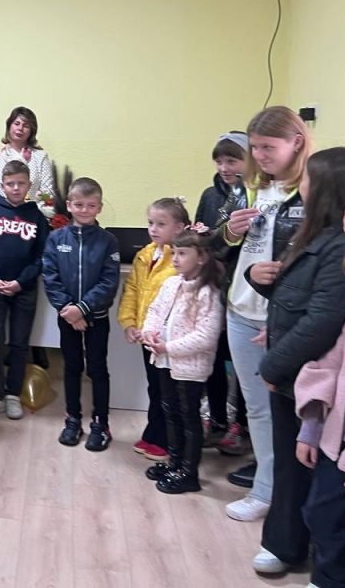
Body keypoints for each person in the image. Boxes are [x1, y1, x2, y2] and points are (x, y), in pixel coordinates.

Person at [246, 147, 345, 576]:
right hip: (293, 371)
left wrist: (271, 366)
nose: (301, 187)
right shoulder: (315, 234)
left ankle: (319, 561)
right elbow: (295, 295)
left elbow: (323, 321)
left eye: (308, 180)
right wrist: (256, 279)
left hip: (312, 377)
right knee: (293, 467)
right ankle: (287, 544)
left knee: (315, 474)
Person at [216, 105, 311, 523]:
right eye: (254, 148)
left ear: (297, 142)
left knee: (293, 415)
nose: (259, 156)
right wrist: (229, 231)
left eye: (268, 147)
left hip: (284, 320)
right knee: (256, 410)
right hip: (240, 311)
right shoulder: (250, 189)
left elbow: (318, 265)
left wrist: (278, 315)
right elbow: (220, 244)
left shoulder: (312, 193)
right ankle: (265, 492)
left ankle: (293, 506)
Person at [292, 247, 345, 587]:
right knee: (321, 515)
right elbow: (327, 369)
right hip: (336, 447)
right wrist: (311, 428)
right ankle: (330, 579)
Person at [140, 228, 224, 494]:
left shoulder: (208, 292)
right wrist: (149, 332)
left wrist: (169, 347)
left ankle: (189, 472)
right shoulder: (171, 283)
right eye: (174, 252)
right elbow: (155, 310)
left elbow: (206, 336)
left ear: (202, 258)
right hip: (164, 360)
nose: (175, 258)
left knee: (189, 417)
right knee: (170, 411)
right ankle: (174, 463)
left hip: (189, 367)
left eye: (183, 253)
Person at [43, 177, 122, 450]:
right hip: (67, 318)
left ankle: (101, 423)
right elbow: (50, 277)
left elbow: (109, 282)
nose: (85, 210)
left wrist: (82, 309)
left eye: (91, 205)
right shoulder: (55, 239)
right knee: (72, 367)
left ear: (99, 207)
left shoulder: (108, 241)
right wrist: (69, 310)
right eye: (79, 205)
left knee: (97, 368)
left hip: (96, 318)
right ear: (69, 205)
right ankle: (73, 419)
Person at [0, 160, 51, 421]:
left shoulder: (37, 217)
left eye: (21, 183)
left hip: (25, 290)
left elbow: (42, 257)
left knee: (19, 344)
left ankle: (13, 395)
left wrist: (20, 281)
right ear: (2, 185)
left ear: (29, 185)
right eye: (10, 184)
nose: (16, 188)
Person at [119, 197, 191, 464]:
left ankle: (169, 440)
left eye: (161, 224)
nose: (153, 229)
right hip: (147, 336)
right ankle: (154, 433)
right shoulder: (145, 254)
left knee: (170, 392)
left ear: (180, 228)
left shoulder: (182, 259)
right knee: (155, 387)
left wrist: (159, 331)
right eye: (151, 223)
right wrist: (130, 323)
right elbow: (132, 290)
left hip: (170, 340)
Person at [195, 131, 250, 453]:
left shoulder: (255, 196)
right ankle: (216, 419)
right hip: (213, 285)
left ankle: (240, 424)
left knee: (241, 358)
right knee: (212, 354)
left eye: (232, 160)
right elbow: (201, 239)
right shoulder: (210, 195)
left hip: (245, 288)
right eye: (219, 161)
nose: (224, 168)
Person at [0, 106, 54, 200]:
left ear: (31, 131)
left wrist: (36, 203)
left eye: (26, 126)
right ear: (9, 126)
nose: (20, 128)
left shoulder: (40, 157)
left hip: (33, 208)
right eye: (16, 124)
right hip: (1, 208)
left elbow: (49, 192)